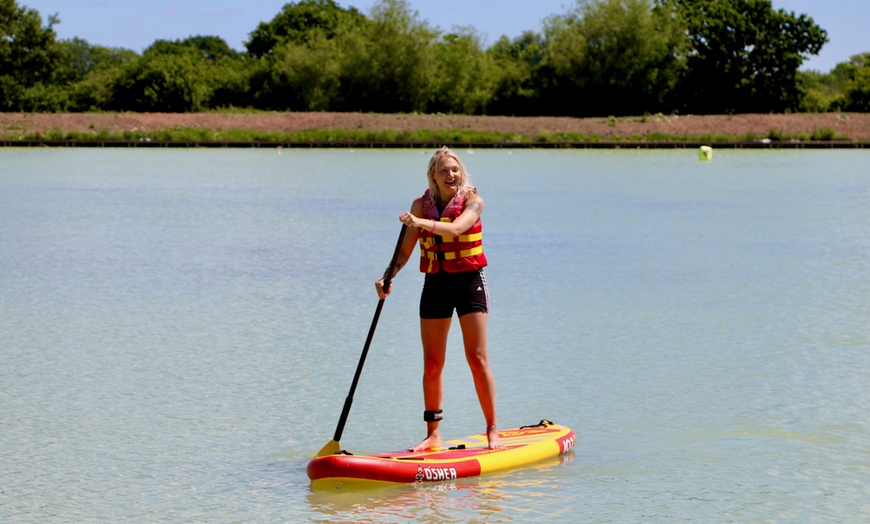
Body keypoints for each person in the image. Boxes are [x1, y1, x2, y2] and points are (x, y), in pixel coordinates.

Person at [376, 146, 504, 452]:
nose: (451, 175)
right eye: (444, 170)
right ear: (433, 175)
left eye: (455, 169)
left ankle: (492, 429)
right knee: (432, 364)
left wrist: (419, 223)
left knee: (477, 359)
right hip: (435, 283)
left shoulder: (474, 201)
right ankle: (433, 434)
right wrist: (387, 276)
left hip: (469, 281)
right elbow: (405, 251)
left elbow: (457, 229)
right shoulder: (421, 205)